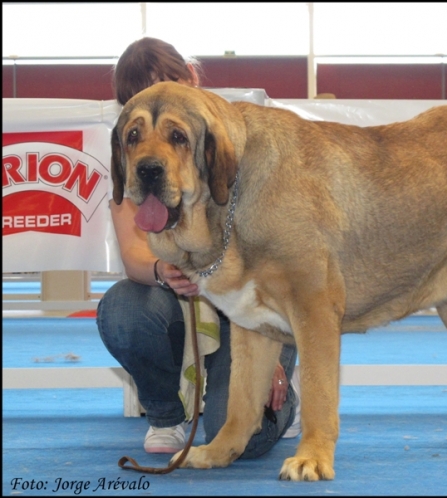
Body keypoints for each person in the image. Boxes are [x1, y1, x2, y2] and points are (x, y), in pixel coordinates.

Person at [97, 37, 300, 456]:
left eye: (170, 86)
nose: (160, 100)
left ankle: (286, 405)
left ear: (192, 77)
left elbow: (277, 262)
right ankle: (166, 416)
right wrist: (162, 271)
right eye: (141, 97)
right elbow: (134, 255)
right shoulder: (130, 154)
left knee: (241, 440)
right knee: (122, 309)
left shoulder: (240, 142)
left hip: (254, 310)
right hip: (182, 306)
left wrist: (270, 355)